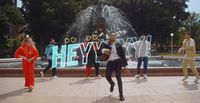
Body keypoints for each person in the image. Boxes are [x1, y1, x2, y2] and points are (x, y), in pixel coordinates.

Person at [100, 32, 129, 101]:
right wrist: (103, 50)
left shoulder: (118, 44)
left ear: (115, 37)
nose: (112, 36)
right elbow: (99, 51)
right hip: (110, 62)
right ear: (109, 36)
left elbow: (123, 55)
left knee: (118, 78)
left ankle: (121, 95)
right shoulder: (105, 43)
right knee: (107, 76)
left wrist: (126, 66)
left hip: (118, 62)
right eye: (111, 35)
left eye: (114, 36)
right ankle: (112, 84)